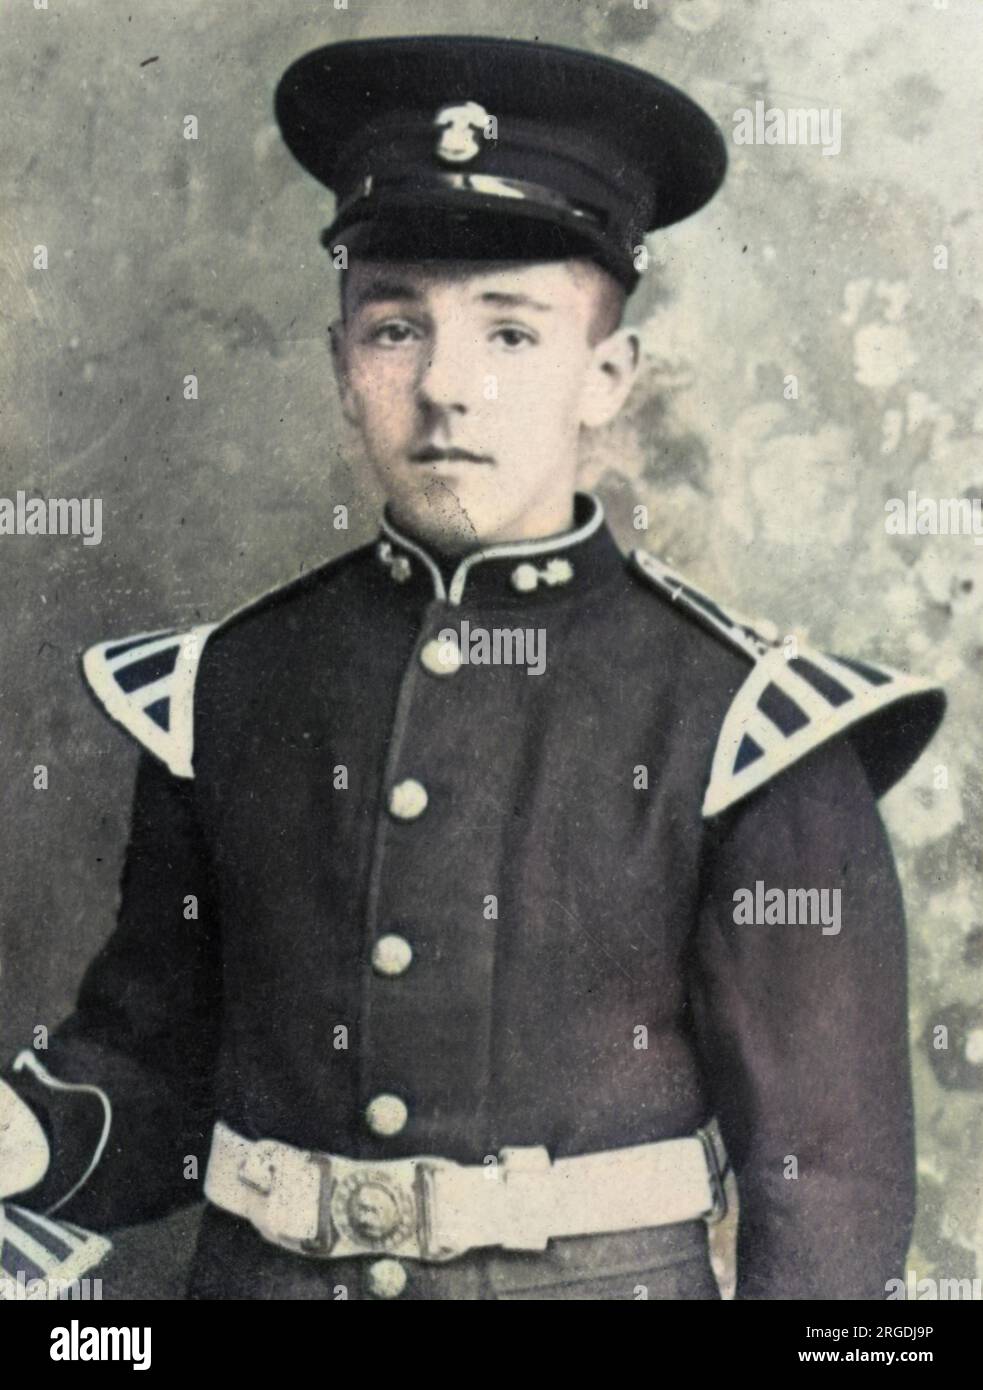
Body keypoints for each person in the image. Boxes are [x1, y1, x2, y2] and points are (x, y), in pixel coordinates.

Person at [0, 35, 945, 1301]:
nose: (446, 387)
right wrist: (31, 1137)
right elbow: (159, 1071)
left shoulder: (747, 725)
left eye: (510, 333)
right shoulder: (223, 688)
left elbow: (824, 1186)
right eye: (396, 327)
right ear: (343, 366)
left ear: (605, 377)